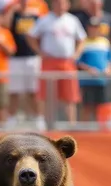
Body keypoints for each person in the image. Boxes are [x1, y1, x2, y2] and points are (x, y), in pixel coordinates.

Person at [27, 0, 86, 128]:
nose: (61, 6)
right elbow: (31, 35)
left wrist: (76, 54)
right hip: (49, 62)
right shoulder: (45, 19)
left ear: (68, 5)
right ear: (53, 4)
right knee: (48, 94)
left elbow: (81, 39)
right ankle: (48, 125)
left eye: (63, 3)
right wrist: (39, 51)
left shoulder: (72, 20)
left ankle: (72, 125)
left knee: (70, 95)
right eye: (58, 3)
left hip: (67, 62)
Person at [4, 0, 48, 129]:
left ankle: (38, 117)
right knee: (14, 90)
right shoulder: (13, 11)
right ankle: (11, 118)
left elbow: (42, 31)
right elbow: (5, 25)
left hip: (32, 57)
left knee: (34, 90)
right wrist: (12, 11)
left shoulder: (36, 13)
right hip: (16, 57)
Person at [77, 17, 111, 122]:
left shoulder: (104, 42)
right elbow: (78, 61)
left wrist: (109, 68)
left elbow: (110, 58)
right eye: (92, 27)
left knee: (101, 107)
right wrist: (89, 69)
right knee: (87, 107)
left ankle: (100, 133)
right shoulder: (83, 42)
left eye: (96, 27)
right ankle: (85, 129)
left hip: (102, 81)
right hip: (87, 81)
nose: (94, 29)